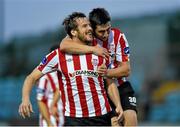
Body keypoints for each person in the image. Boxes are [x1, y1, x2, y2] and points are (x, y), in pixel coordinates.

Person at [18, 12, 123, 126]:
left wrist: (118, 105)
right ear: (73, 32)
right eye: (84, 26)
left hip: (102, 117)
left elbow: (110, 83)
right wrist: (25, 99)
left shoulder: (100, 51)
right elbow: (31, 77)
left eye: (89, 25)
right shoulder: (58, 55)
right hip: (74, 120)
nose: (89, 28)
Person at [60, 8, 138, 126]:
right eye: (102, 31)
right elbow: (63, 45)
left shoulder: (118, 36)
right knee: (114, 123)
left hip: (120, 86)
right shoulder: (87, 37)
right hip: (101, 91)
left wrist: (105, 73)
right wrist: (93, 49)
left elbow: (126, 70)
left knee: (131, 119)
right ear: (92, 27)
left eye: (108, 29)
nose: (106, 34)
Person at [36, 45, 64, 126]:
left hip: (64, 117)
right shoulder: (45, 77)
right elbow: (40, 100)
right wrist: (49, 123)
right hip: (52, 120)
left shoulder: (64, 74)